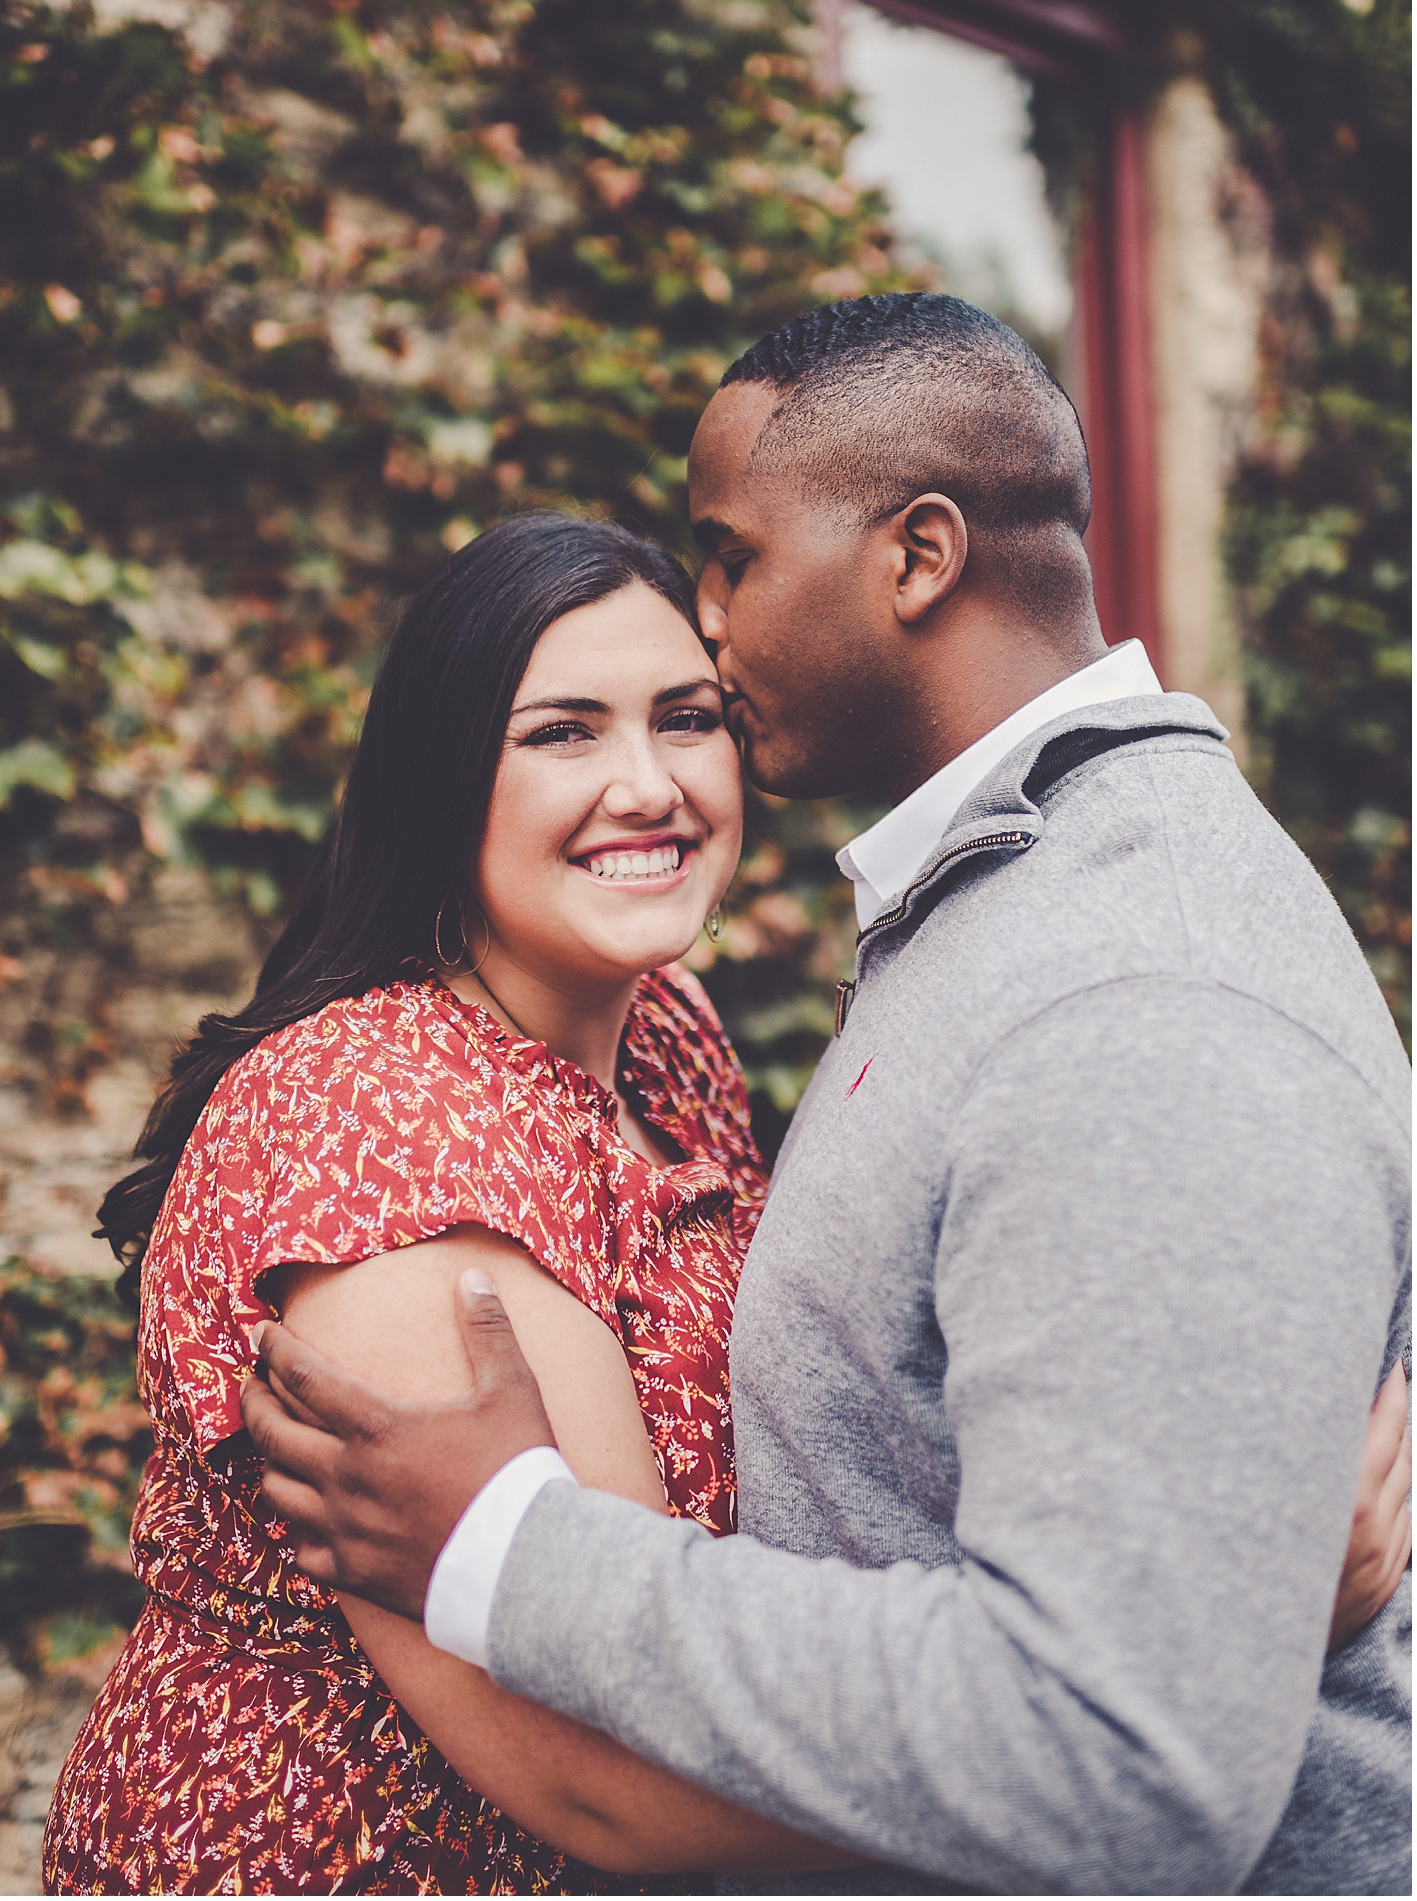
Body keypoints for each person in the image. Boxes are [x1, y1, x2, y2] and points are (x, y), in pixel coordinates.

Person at [245, 294, 1413, 1897]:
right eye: (564, 728)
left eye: (730, 558)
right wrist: (1255, 1602)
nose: (708, 631)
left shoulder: (1135, 991)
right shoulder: (1010, 905)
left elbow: (1121, 1762)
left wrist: (514, 1548)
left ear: (916, 558)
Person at [46, 512, 870, 1895]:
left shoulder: (663, 1033)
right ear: (444, 779)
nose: (649, 783)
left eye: (688, 718)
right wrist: (1114, 1713)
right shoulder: (375, 1136)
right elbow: (627, 1767)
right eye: (563, 733)